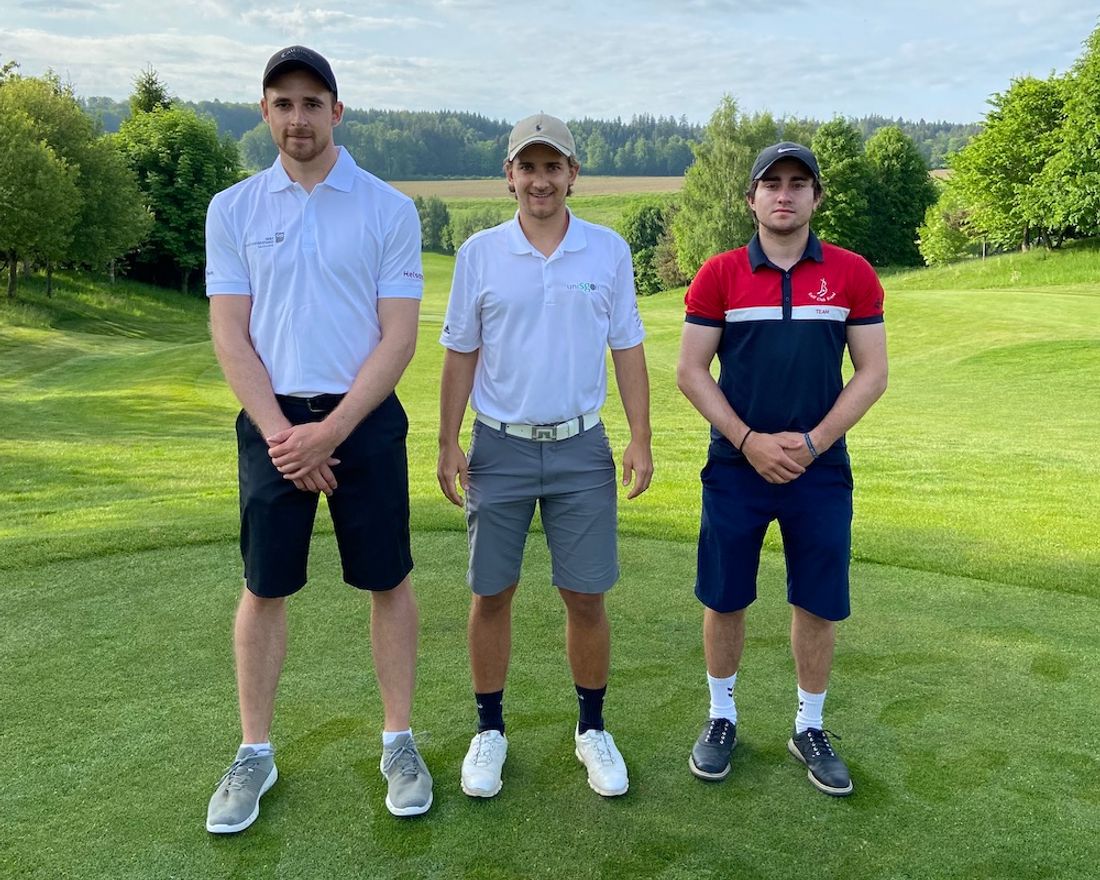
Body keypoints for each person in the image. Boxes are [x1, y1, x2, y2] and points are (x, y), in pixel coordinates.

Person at [203, 45, 432, 832]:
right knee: (263, 586)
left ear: (337, 111)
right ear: (264, 112)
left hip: (362, 421)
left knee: (388, 579)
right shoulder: (233, 209)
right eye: (282, 102)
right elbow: (230, 335)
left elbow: (398, 338)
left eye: (311, 102)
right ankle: (254, 754)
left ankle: (399, 742)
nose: (297, 117)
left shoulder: (387, 209)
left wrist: (328, 432)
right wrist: (283, 437)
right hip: (272, 422)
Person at [437, 113, 653, 800]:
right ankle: (489, 730)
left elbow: (627, 347)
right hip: (498, 446)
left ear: (572, 174)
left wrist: (641, 437)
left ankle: (592, 729)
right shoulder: (480, 253)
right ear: (509, 176)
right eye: (527, 167)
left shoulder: (606, 251)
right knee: (491, 592)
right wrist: (447, 440)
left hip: (581, 448)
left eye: (552, 166)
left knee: (585, 595)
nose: (540, 180)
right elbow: (461, 352)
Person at [676, 141, 888, 796]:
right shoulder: (720, 275)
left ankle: (809, 727)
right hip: (735, 465)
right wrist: (748, 442)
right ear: (752, 198)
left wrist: (814, 443)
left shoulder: (852, 274)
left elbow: (872, 373)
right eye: (772, 184)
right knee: (725, 595)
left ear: (816, 197)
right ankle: (721, 717)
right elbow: (691, 371)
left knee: (817, 600)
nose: (785, 194)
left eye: (799, 183)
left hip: (818, 468)